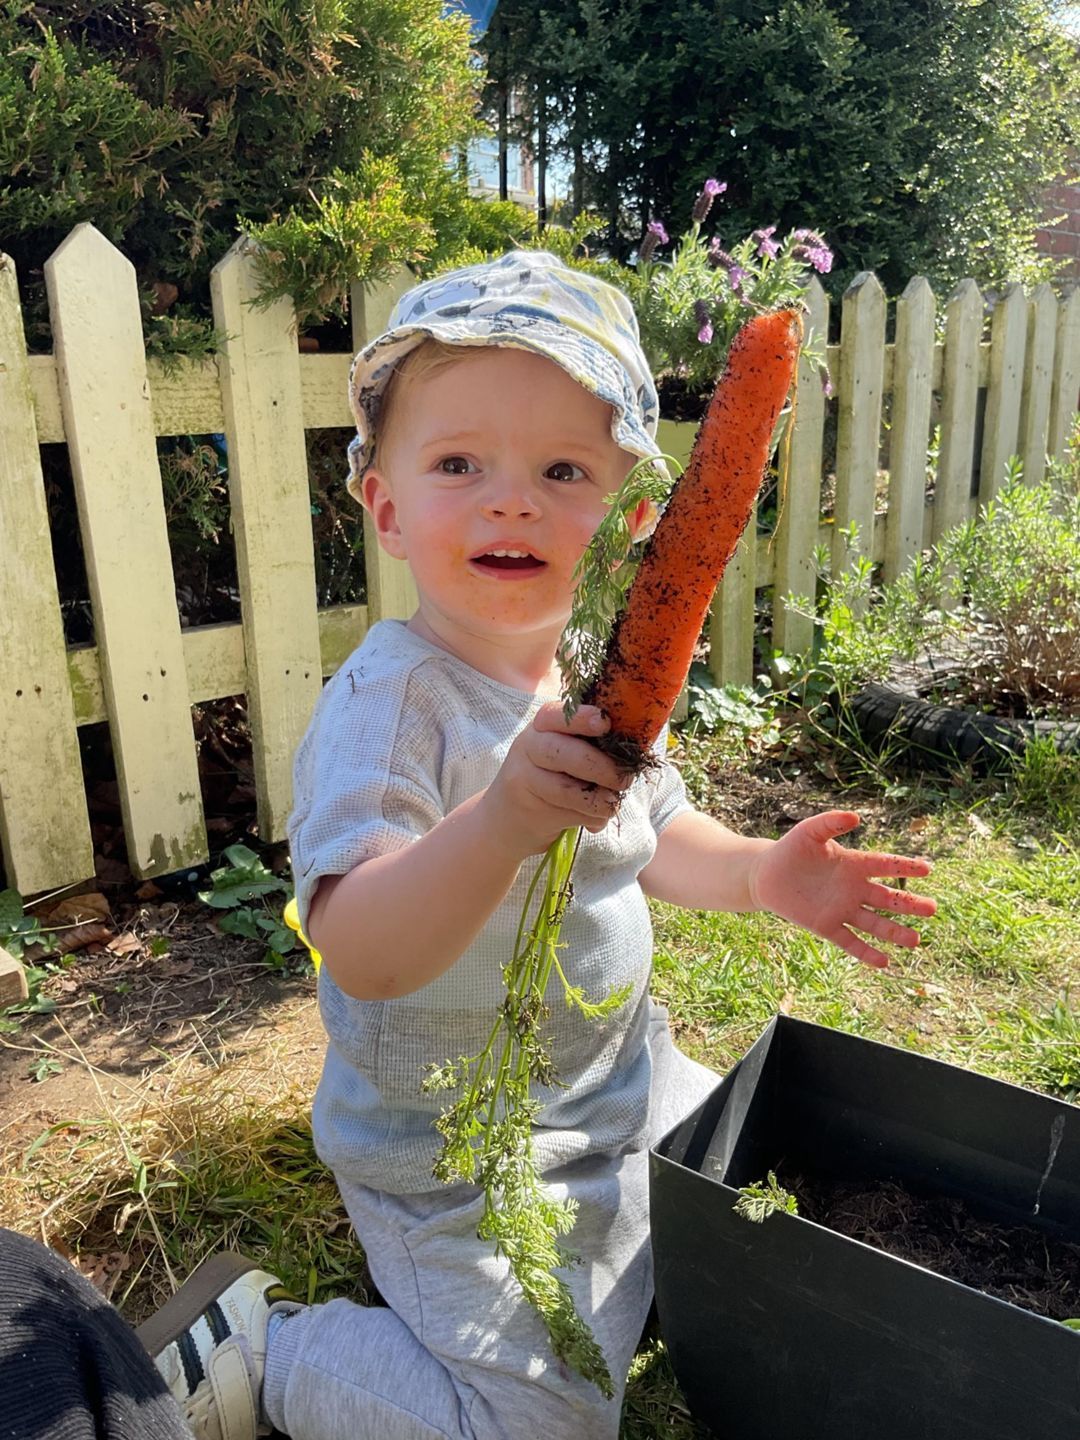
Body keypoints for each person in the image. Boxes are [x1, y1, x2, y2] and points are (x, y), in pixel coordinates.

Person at [138, 252, 936, 1440]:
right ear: (388, 505)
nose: (511, 499)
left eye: (562, 470)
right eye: (460, 464)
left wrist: (762, 873)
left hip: (623, 1087)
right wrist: (502, 820)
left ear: (632, 524)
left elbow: (653, 834)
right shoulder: (394, 707)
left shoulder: (594, 682)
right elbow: (361, 948)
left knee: (776, 1213)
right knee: (544, 1422)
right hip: (458, 1152)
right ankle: (269, 1353)